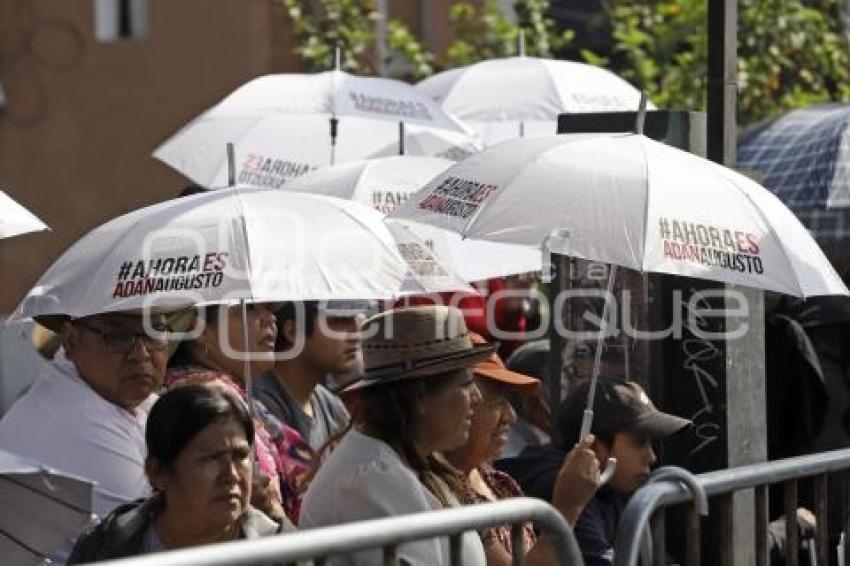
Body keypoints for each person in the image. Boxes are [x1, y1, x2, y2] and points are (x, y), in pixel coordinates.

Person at [300, 305, 493, 565]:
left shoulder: (407, 463)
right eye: (466, 384)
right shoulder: (370, 481)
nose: (477, 398)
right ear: (419, 396)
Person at [68, 384, 292, 563]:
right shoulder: (107, 550)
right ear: (158, 473)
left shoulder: (284, 552)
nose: (231, 474)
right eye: (211, 458)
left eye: (240, 456)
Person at [441, 333, 602, 565]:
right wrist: (567, 507)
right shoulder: (441, 493)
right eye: (497, 403)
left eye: (510, 402)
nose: (511, 416)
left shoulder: (500, 482)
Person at [497, 378, 690, 566]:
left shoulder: (616, 483)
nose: (651, 457)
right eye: (639, 443)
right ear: (595, 446)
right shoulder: (565, 485)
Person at [0, 312, 168, 518]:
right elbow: (163, 536)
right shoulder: (76, 418)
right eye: (118, 337)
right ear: (71, 340)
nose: (141, 354)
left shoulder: (118, 396)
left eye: (154, 333)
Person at [166, 303, 312, 524]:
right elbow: (269, 509)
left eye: (270, 310)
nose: (270, 319)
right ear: (201, 330)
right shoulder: (210, 400)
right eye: (249, 308)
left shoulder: (231, 393)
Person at [255, 300, 364, 451]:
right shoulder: (259, 405)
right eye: (339, 320)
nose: (355, 333)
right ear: (293, 332)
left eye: (354, 319)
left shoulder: (331, 406)